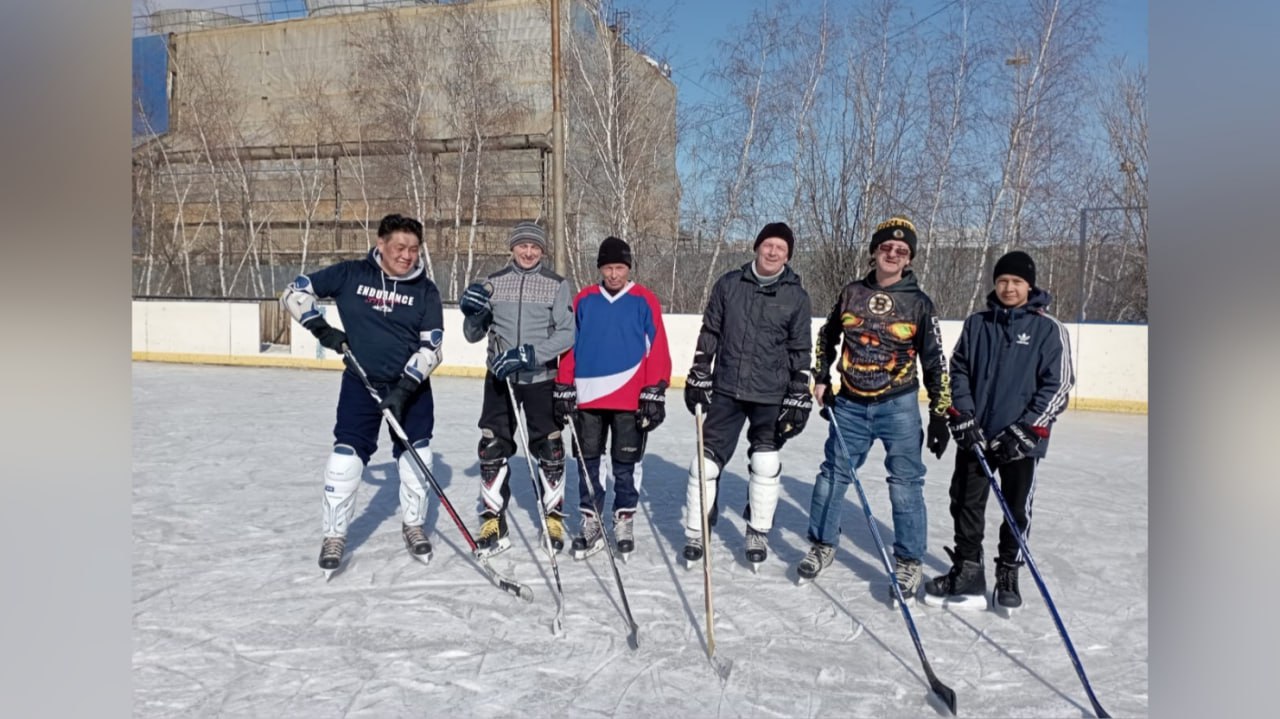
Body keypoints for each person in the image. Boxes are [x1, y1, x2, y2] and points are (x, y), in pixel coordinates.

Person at [280, 213, 444, 576]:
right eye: (399, 247)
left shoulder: (425, 290)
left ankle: (414, 524)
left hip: (410, 388)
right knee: (344, 460)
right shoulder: (351, 274)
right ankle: (334, 535)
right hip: (360, 384)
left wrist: (404, 388)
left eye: (414, 249)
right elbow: (294, 292)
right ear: (380, 244)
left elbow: (433, 347)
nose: (407, 256)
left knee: (419, 458)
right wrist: (320, 328)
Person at [799, 216, 952, 602]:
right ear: (874, 252)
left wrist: (939, 411)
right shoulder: (851, 293)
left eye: (902, 251)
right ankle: (822, 544)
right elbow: (827, 335)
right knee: (833, 475)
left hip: (897, 404)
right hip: (850, 403)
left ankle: (909, 561)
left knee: (904, 485)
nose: (893, 254)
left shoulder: (918, 303)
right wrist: (821, 376)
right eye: (886, 247)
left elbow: (935, 360)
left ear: (909, 259)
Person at [923, 250, 1074, 614]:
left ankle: (1009, 569)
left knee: (1016, 508)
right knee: (964, 501)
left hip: (1020, 441)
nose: (1009, 288)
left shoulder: (1048, 329)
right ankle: (968, 570)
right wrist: (963, 416)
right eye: (1003, 281)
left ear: (1030, 286)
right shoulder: (978, 323)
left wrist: (1027, 429)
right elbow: (957, 369)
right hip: (977, 435)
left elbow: (1059, 384)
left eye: (1017, 282)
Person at [680, 221, 814, 570]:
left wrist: (799, 392)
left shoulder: (796, 296)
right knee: (704, 463)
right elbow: (711, 330)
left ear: (788, 256)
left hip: (771, 393)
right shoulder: (729, 284)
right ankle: (697, 530)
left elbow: (801, 348)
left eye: (781, 249)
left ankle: (758, 530)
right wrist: (699, 371)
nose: (773, 252)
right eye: (768, 245)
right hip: (727, 387)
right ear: (757, 247)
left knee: (765, 463)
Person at [459, 220, 575, 557]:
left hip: (541, 379)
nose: (528, 252)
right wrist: (475, 316)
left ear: (542, 251)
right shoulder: (493, 283)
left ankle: (553, 517)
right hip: (500, 379)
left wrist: (532, 354)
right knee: (492, 446)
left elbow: (568, 333)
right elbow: (472, 334)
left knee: (551, 449)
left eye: (535, 247)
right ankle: (493, 519)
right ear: (512, 248)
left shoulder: (556, 284)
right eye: (523, 245)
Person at [553, 236, 672, 560]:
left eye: (619, 267)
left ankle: (623, 519)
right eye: (608, 267)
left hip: (630, 399)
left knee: (625, 464)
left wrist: (655, 390)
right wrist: (564, 384)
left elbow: (657, 347)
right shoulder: (584, 300)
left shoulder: (644, 300)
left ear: (628, 268)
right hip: (588, 398)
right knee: (588, 463)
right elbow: (569, 345)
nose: (614, 274)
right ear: (600, 268)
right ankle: (591, 521)